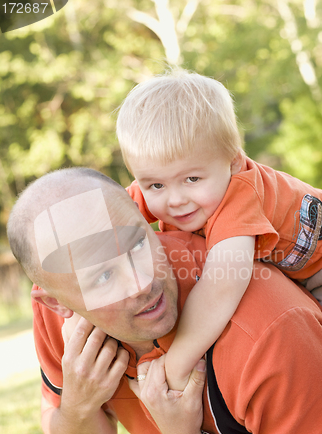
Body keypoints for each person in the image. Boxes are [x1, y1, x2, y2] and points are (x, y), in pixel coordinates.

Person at [7, 167, 322, 434]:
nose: (141, 282)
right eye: (103, 276)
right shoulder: (59, 320)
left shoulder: (268, 328)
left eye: (138, 243)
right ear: (57, 302)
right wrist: (77, 406)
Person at [116, 68, 322, 391]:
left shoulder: (240, 192)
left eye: (192, 179)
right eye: (155, 184)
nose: (175, 200)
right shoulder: (168, 184)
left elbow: (221, 287)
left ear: (233, 163)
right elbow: (107, 217)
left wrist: (174, 368)